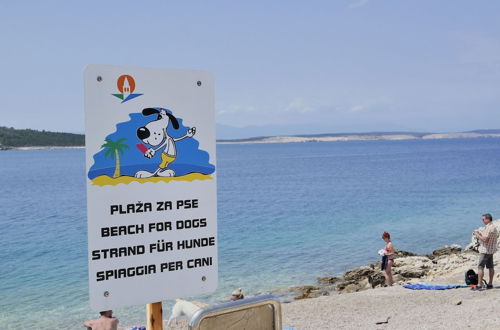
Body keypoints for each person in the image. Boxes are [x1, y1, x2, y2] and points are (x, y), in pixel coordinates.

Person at [472, 213, 498, 290]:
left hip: (485, 250)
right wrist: (481, 234)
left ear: (487, 219)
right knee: (490, 267)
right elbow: (487, 237)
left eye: (483, 219)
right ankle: (490, 284)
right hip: (491, 250)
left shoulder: (489, 228)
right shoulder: (494, 227)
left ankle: (479, 285)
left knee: (480, 267)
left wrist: (477, 234)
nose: (482, 221)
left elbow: (485, 240)